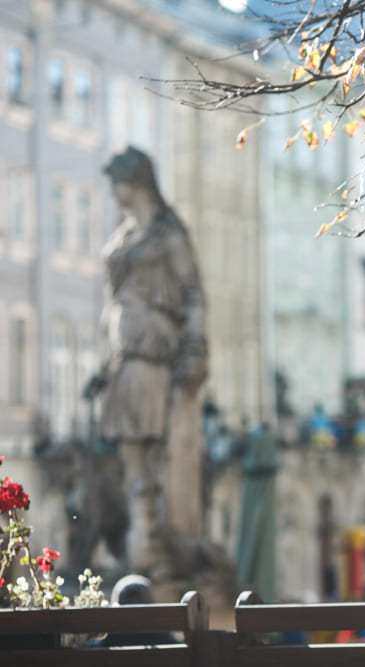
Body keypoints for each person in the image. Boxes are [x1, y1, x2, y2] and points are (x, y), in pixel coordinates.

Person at [86, 146, 208, 573]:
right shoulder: (123, 236)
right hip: (123, 360)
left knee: (153, 461)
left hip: (154, 357)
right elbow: (111, 305)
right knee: (129, 462)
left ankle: (154, 550)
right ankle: (139, 548)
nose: (112, 189)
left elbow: (193, 294)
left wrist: (195, 348)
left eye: (117, 180)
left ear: (135, 181)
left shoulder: (166, 232)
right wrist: (103, 364)